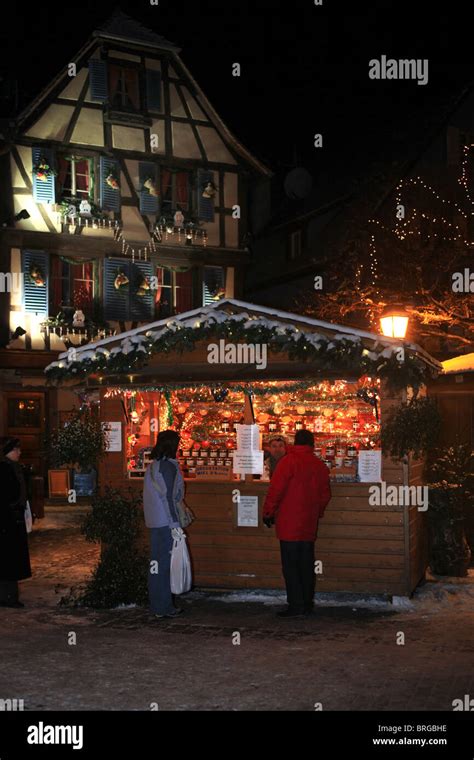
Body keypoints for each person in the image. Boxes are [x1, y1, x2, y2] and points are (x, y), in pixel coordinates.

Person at [263, 429, 331, 618]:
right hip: (308, 523)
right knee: (307, 564)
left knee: (291, 566)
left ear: (295, 442)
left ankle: (296, 605)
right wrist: (318, 512)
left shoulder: (288, 462)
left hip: (288, 523)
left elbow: (275, 490)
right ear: (312, 444)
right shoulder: (319, 465)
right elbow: (325, 495)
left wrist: (268, 512)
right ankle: (307, 603)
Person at [143, 430, 186, 619]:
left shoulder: (154, 466)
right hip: (165, 522)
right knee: (164, 565)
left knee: (157, 564)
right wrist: (175, 524)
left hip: (155, 520)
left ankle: (158, 604)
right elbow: (168, 497)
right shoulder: (168, 467)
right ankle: (163, 607)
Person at [0, 437, 32, 608]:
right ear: (9, 452)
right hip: (8, 521)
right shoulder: (5, 469)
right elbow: (10, 494)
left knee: (10, 559)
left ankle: (9, 596)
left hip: (12, 519)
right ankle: (8, 597)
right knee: (9, 559)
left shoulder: (13, 468)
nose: (19, 452)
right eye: (17, 450)